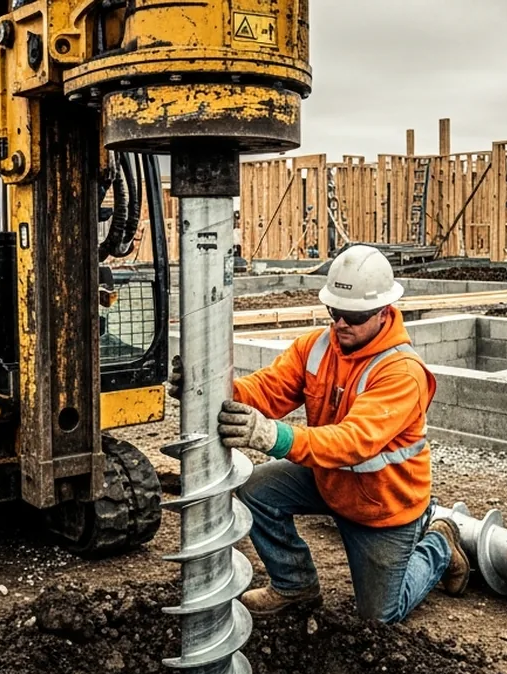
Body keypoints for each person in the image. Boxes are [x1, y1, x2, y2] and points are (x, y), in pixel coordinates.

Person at [172, 245, 469, 624]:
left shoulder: (401, 372)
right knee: (255, 490)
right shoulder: (316, 347)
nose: (341, 324)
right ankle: (295, 584)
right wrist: (209, 389)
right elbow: (267, 390)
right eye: (335, 312)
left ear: (383, 312)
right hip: (329, 482)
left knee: (379, 617)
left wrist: (274, 437)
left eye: (354, 316)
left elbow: (354, 442)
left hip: (382, 507)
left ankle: (440, 544)